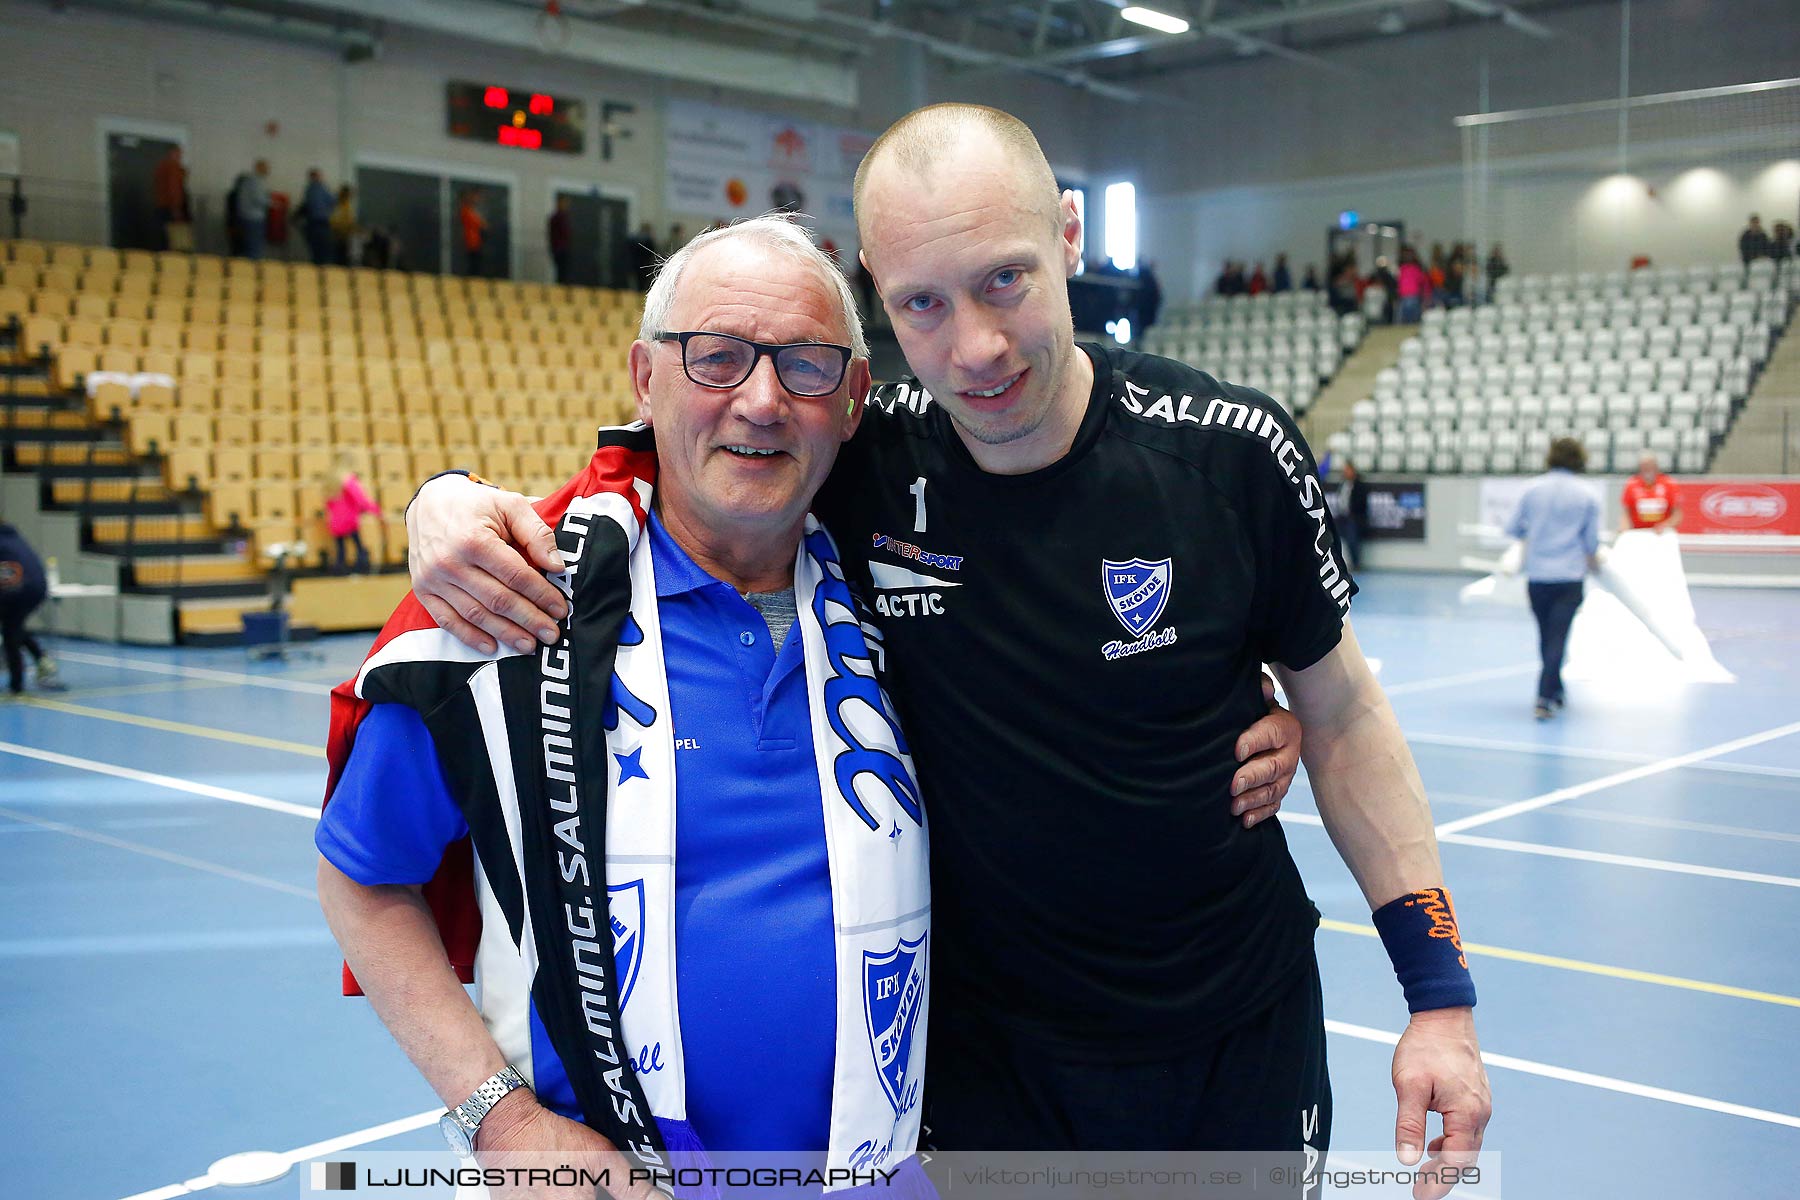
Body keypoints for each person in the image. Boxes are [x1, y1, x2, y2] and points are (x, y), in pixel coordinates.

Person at [407, 104, 1489, 1188]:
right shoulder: (857, 454)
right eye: (923, 302)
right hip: (983, 1067)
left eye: (1004, 280)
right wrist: (443, 504)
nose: (974, 346)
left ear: (1070, 236)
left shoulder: (1231, 456)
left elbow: (1344, 714)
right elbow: (672, 472)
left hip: (1230, 1041)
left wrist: (1438, 996)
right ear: (879, 291)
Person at [318, 218, 951, 1195]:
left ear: (856, 399)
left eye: (808, 365)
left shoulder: (915, 602)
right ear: (645, 378)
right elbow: (363, 875)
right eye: (718, 356)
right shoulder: (513, 604)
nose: (763, 399)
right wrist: (502, 1122)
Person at [1506, 438, 1600, 721]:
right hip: (1569, 576)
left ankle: (1555, 689)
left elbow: (1513, 527)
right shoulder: (1587, 494)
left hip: (1538, 576)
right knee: (1558, 637)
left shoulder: (1531, 490)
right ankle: (1545, 696)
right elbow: (1592, 543)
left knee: (1547, 636)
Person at [0, 518, 65, 697]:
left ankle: (16, 686)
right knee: (13, 625)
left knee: (10, 631)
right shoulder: (13, 536)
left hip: (21, 588)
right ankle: (41, 659)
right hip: (37, 588)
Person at [320, 454, 379, 573]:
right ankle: (361, 569)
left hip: (335, 521)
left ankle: (339, 572)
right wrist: (376, 511)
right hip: (349, 519)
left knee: (340, 550)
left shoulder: (331, 481)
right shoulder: (349, 480)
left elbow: (328, 503)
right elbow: (360, 499)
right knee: (358, 547)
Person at [1620, 452, 1681, 534]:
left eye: (1649, 465)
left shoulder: (1668, 484)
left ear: (1656, 466)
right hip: (1639, 532)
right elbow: (1626, 513)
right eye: (1644, 466)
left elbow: (1677, 514)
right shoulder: (1632, 484)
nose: (1647, 469)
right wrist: (1624, 528)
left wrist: (1666, 525)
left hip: (1662, 533)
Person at [1330, 459, 1368, 573]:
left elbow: (1362, 501)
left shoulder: (1359, 485)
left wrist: (1354, 512)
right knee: (1338, 540)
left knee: (1353, 541)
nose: (1345, 472)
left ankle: (1356, 564)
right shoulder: (1343, 484)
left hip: (1354, 517)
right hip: (1342, 516)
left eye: (1347, 470)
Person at [151, 145, 188, 252]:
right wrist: (176, 208)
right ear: (173, 153)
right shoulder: (172, 168)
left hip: (162, 208)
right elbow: (174, 189)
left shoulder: (160, 168)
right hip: (171, 210)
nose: (180, 157)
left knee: (162, 240)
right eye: (179, 154)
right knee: (176, 243)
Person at [233, 159, 271, 261]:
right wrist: (273, 203)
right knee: (254, 249)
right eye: (266, 167)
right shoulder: (257, 181)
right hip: (254, 219)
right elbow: (259, 199)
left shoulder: (247, 181)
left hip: (244, 217)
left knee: (247, 246)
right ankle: (253, 272)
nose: (268, 170)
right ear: (259, 168)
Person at [300, 168, 335, 266]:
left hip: (318, 222)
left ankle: (320, 264)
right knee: (321, 248)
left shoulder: (313, 189)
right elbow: (332, 202)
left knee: (319, 248)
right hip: (318, 222)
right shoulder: (317, 189)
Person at [458, 189, 488, 278]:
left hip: (476, 241)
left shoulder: (471, 212)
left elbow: (482, 224)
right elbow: (480, 224)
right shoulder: (466, 211)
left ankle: (475, 277)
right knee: (474, 263)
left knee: (476, 262)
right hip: (472, 242)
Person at [547, 195, 573, 285]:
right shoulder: (555, 218)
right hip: (558, 248)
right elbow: (551, 235)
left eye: (566, 203)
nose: (565, 205)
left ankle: (564, 286)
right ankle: (560, 286)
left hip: (565, 248)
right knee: (560, 270)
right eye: (563, 203)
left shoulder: (566, 217)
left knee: (565, 270)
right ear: (558, 203)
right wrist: (554, 248)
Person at [329, 184, 357, 266]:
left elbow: (349, 221)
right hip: (339, 236)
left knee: (342, 259)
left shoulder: (345, 206)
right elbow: (334, 221)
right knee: (339, 260)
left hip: (343, 236)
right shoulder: (340, 205)